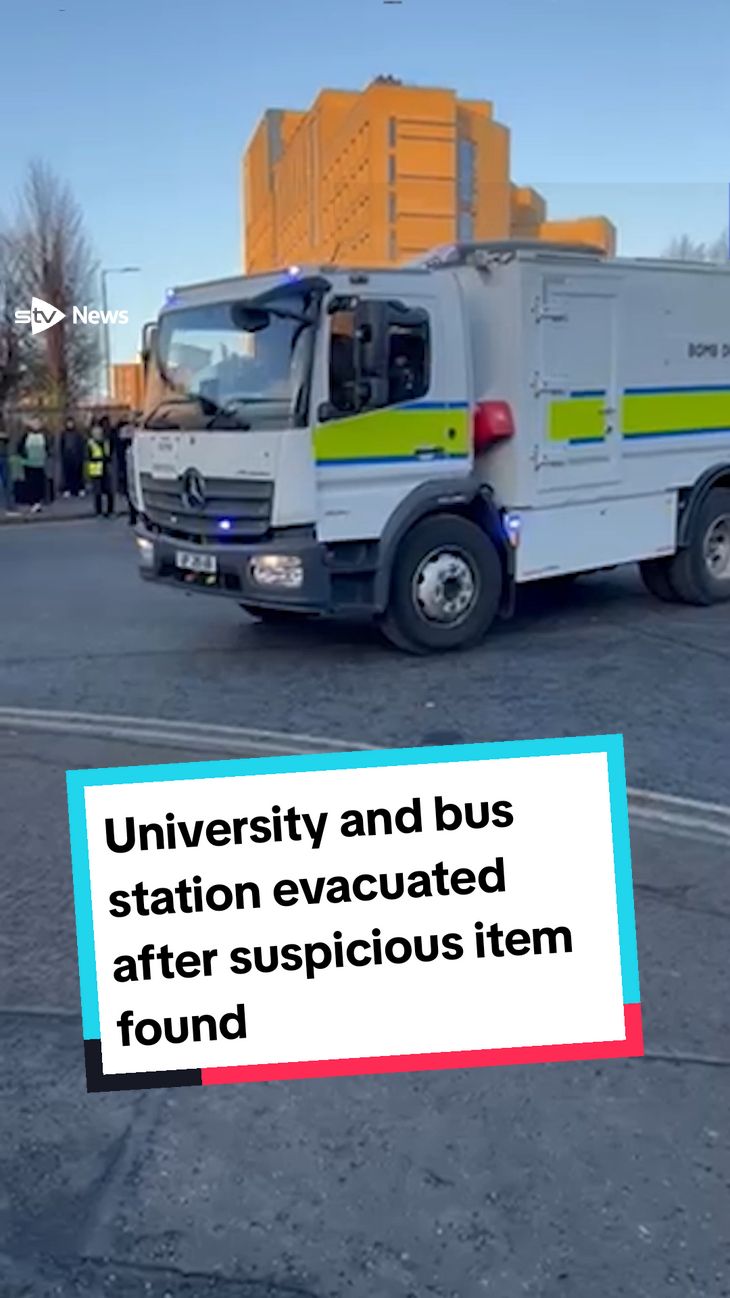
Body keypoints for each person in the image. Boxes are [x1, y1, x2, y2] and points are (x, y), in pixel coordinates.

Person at [86, 421, 115, 517]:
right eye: (95, 433)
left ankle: (110, 511)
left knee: (109, 491)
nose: (98, 434)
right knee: (97, 492)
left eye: (99, 432)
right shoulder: (90, 443)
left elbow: (110, 454)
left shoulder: (106, 442)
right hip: (96, 470)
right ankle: (99, 511)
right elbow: (88, 457)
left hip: (106, 468)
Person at [19, 423, 49, 513]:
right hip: (29, 463)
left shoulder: (43, 435)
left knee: (38, 483)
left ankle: (38, 502)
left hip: (40, 463)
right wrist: (24, 456)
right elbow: (20, 447)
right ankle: (33, 502)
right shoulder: (26, 436)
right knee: (31, 483)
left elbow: (47, 446)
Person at [60, 416, 86, 497]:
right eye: (68, 423)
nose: (70, 424)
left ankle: (79, 489)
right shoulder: (63, 434)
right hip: (67, 457)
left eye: (71, 423)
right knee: (68, 474)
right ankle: (68, 489)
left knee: (78, 474)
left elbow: (81, 445)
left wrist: (81, 455)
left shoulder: (78, 434)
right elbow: (62, 446)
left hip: (77, 457)